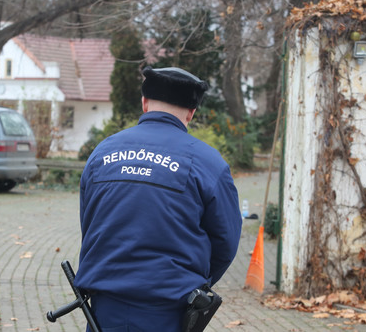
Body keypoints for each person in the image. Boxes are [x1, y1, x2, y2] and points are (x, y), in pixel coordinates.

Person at [73, 66, 242, 332]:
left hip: (103, 312)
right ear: (191, 111)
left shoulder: (102, 153)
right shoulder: (209, 164)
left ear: (144, 102)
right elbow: (225, 244)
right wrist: (196, 281)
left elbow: (90, 223)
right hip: (170, 312)